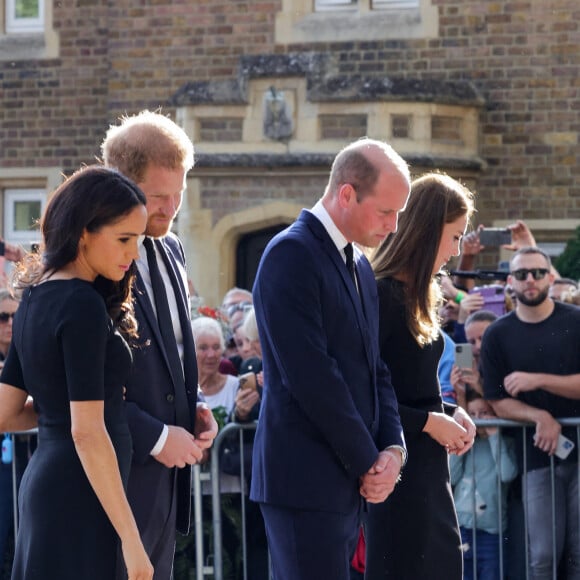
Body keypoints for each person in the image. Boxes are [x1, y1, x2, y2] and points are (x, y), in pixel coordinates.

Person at [250, 137, 409, 580]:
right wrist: (368, 462)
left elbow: (376, 367)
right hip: (304, 481)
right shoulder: (291, 253)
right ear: (346, 194)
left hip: (349, 482)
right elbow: (312, 376)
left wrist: (393, 450)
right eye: (385, 211)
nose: (394, 227)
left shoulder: (357, 263)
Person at [0, 165, 153, 579]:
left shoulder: (35, 295)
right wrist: (132, 538)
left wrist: (59, 410)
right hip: (81, 493)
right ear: (84, 232)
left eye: (137, 240)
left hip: (51, 485)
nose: (133, 252)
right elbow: (87, 431)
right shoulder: (81, 303)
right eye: (124, 239)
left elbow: (6, 413)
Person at [101, 110, 218, 579]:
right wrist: (156, 436)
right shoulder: (91, 259)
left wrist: (195, 405)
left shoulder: (171, 249)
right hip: (111, 479)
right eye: (157, 197)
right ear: (121, 185)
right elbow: (79, 381)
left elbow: (171, 350)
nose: (170, 209)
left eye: (179, 194)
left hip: (168, 485)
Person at [366, 172, 477, 579]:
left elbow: (409, 385)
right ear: (428, 232)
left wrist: (449, 411)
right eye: (455, 237)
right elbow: (368, 392)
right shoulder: (380, 294)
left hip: (427, 469)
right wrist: (432, 422)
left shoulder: (419, 295)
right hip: (397, 470)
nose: (457, 250)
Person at [480, 246, 580, 580]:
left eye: (538, 273)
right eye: (522, 275)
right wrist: (540, 417)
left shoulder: (575, 321)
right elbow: (496, 400)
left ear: (551, 277)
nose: (530, 280)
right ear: (510, 282)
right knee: (543, 555)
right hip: (534, 456)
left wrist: (538, 380)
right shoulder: (498, 333)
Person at [450, 390, 518, 580]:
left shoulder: (505, 443)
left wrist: (495, 436)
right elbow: (452, 477)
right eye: (472, 414)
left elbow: (507, 474)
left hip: (491, 532)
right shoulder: (468, 445)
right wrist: (462, 438)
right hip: (462, 529)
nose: (478, 419)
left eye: (484, 413)